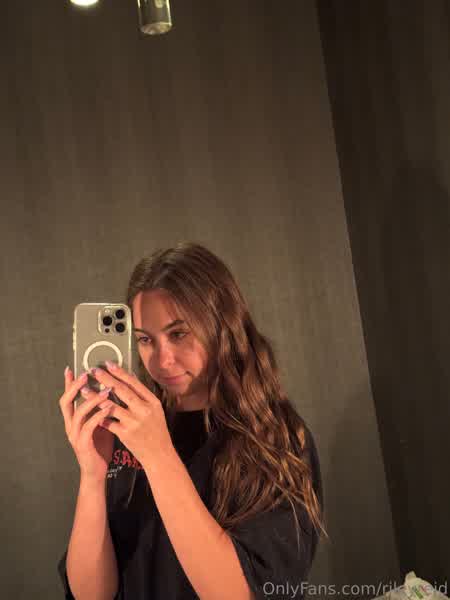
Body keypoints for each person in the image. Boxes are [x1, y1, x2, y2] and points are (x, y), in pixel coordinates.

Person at [57, 241, 327, 600]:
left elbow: (242, 593)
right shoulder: (127, 429)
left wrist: (158, 457)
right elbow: (92, 596)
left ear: (221, 324)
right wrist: (92, 475)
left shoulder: (276, 438)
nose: (162, 360)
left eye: (178, 334)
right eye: (145, 340)